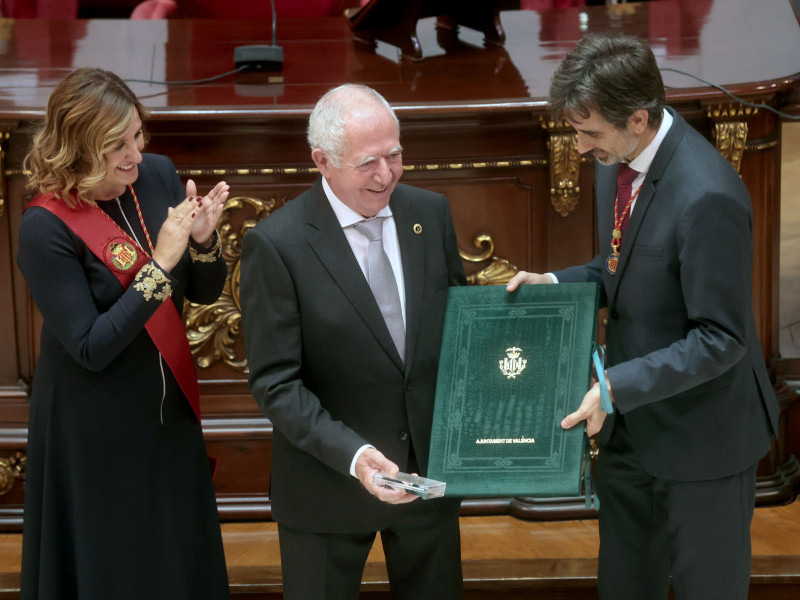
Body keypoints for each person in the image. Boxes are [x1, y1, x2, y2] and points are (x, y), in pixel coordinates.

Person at [507, 34, 779, 600]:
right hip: (632, 431)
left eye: (590, 134)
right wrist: (555, 285)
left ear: (637, 119)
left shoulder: (708, 197)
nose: (580, 149)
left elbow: (720, 338)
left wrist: (612, 388)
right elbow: (621, 268)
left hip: (705, 439)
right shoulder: (619, 162)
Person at [240, 83, 466, 600]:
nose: (385, 174)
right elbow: (276, 384)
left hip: (425, 486)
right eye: (368, 163)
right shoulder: (277, 245)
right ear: (322, 160)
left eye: (394, 155)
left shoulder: (429, 214)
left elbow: (456, 331)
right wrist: (357, 455)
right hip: (327, 489)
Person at [17, 67, 231, 599]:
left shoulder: (157, 175)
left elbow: (203, 292)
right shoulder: (45, 227)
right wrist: (159, 265)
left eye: (137, 134)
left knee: (177, 558)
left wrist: (203, 243)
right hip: (95, 425)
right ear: (79, 148)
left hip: (166, 414)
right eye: (117, 145)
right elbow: (91, 347)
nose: (136, 153)